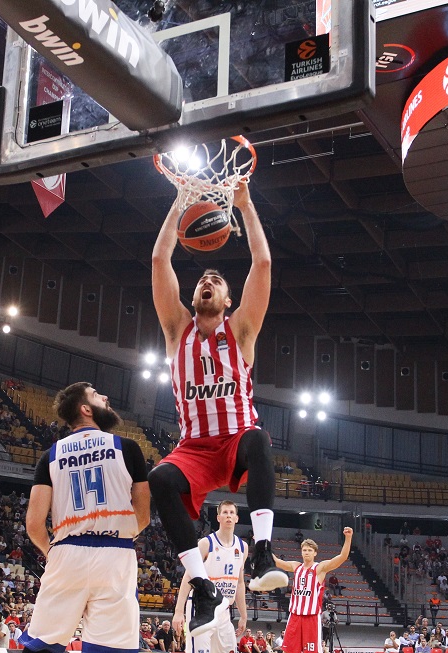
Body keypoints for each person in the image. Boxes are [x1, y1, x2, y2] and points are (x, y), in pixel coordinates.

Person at [149, 181, 285, 638]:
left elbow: (262, 264)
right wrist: (178, 203)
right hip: (195, 448)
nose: (206, 282)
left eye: (216, 282)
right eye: (201, 281)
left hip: (236, 439)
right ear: (193, 297)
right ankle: (203, 588)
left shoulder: (241, 330)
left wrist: (245, 205)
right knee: (160, 479)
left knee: (259, 439)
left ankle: (262, 550)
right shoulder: (177, 330)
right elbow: (159, 260)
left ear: (228, 300)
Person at [17, 382, 150, 653]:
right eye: (96, 395)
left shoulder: (50, 456)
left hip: (66, 552)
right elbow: (143, 515)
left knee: (41, 646)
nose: (105, 396)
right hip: (115, 555)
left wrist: (53, 553)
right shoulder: (127, 448)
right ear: (86, 409)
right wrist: (122, 534)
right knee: (110, 649)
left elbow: (33, 524)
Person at [173, 501, 248, 653]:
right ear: (218, 517)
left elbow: (240, 583)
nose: (228, 516)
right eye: (225, 512)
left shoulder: (242, 547)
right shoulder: (206, 543)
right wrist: (179, 611)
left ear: (237, 518)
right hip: (202, 607)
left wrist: (243, 615)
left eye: (232, 513)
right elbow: (188, 576)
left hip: (224, 610)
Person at [274, 527, 354, 653]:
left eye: (310, 550)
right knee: (289, 651)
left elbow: (342, 557)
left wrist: (348, 538)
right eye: (304, 550)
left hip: (311, 617)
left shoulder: (319, 568)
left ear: (315, 553)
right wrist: (261, 544)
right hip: (294, 616)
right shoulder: (296, 566)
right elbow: (276, 562)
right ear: (301, 552)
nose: (307, 552)